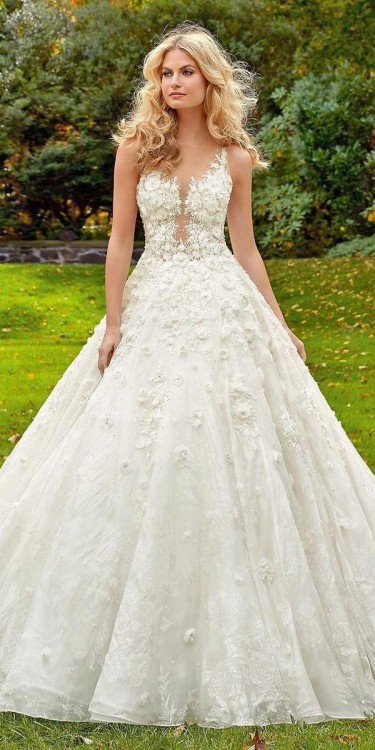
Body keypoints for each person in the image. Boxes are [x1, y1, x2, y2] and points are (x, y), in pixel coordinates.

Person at [0, 20, 374, 730]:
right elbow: (117, 240)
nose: (172, 84)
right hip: (153, 299)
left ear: (208, 80)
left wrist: (278, 321)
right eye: (164, 73)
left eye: (184, 73)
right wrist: (114, 323)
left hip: (222, 304)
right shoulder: (136, 147)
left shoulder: (234, 156)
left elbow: (247, 248)